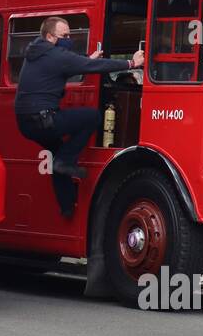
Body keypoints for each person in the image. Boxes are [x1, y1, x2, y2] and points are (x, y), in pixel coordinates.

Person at [15, 17, 144, 215]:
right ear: (50, 36)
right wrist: (131, 62)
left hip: (25, 123)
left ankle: (67, 207)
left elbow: (71, 65)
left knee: (59, 156)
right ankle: (65, 163)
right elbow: (92, 67)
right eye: (64, 35)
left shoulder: (37, 53)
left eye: (70, 34)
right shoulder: (56, 55)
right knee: (91, 117)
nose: (69, 39)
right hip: (44, 119)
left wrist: (87, 59)